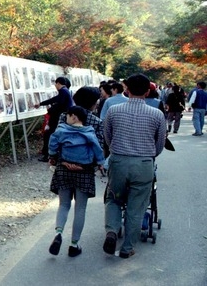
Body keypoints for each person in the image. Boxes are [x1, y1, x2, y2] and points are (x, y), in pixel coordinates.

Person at [103, 73, 166, 259]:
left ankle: (112, 231)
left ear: (126, 90)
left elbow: (107, 137)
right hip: (144, 163)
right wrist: (148, 154)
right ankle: (127, 247)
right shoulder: (157, 114)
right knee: (137, 206)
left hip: (118, 161)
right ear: (147, 92)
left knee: (113, 199)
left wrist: (117, 150)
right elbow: (160, 143)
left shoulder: (114, 111)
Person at [47, 105, 105, 257]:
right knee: (80, 209)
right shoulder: (89, 132)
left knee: (64, 205)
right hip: (84, 171)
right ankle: (74, 244)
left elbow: (52, 145)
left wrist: (53, 157)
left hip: (64, 170)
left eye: (67, 116)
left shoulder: (61, 130)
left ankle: (59, 233)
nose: (66, 119)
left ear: (74, 117)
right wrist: (100, 163)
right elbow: (97, 150)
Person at [34, 76, 74, 162]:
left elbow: (59, 104)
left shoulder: (63, 91)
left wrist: (50, 110)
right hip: (60, 117)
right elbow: (54, 99)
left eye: (55, 84)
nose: (55, 86)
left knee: (49, 135)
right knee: (50, 134)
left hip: (58, 118)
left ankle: (48, 155)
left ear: (58, 83)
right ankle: (50, 154)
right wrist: (41, 104)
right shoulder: (65, 91)